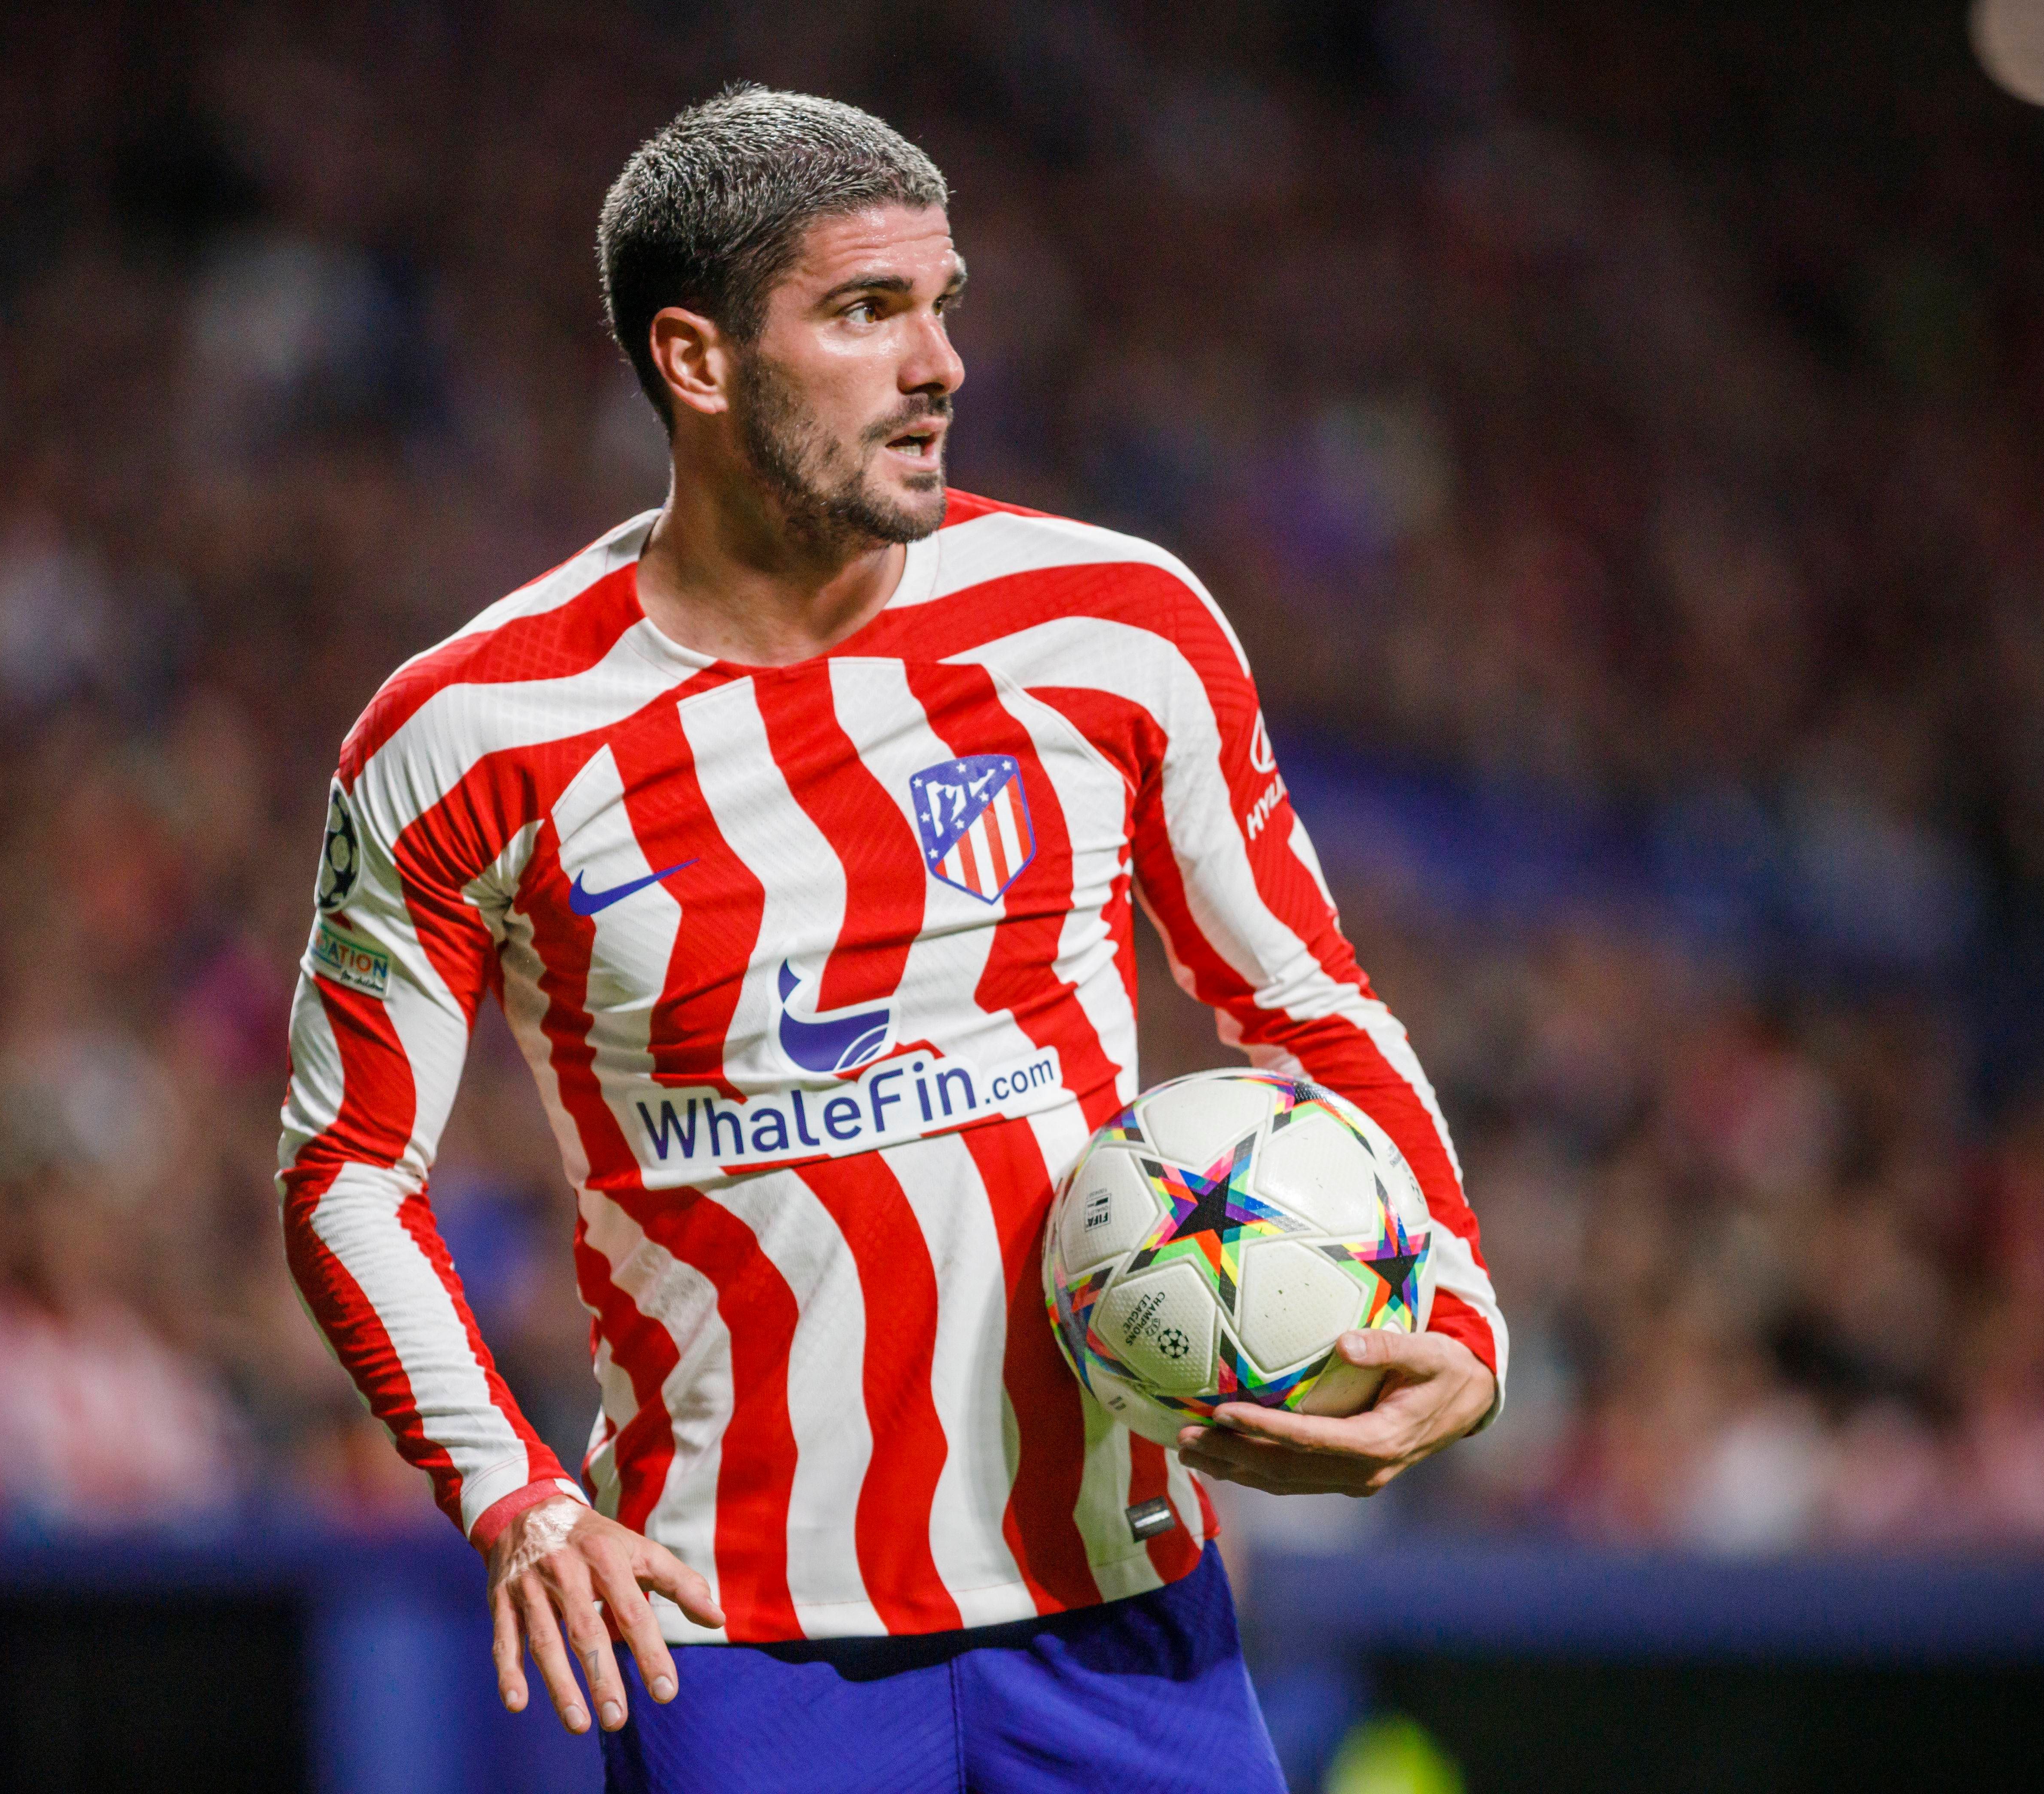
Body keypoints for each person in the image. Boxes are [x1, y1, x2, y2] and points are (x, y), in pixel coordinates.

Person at [280, 84, 1503, 1794]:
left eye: (944, 305)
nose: (939, 363)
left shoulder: (1116, 626)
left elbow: (1304, 1006)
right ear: (698, 363)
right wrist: (513, 1490)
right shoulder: (470, 735)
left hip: (1123, 1615)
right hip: (732, 1635)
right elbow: (346, 1170)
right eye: (866, 312)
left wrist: (1458, 1309)